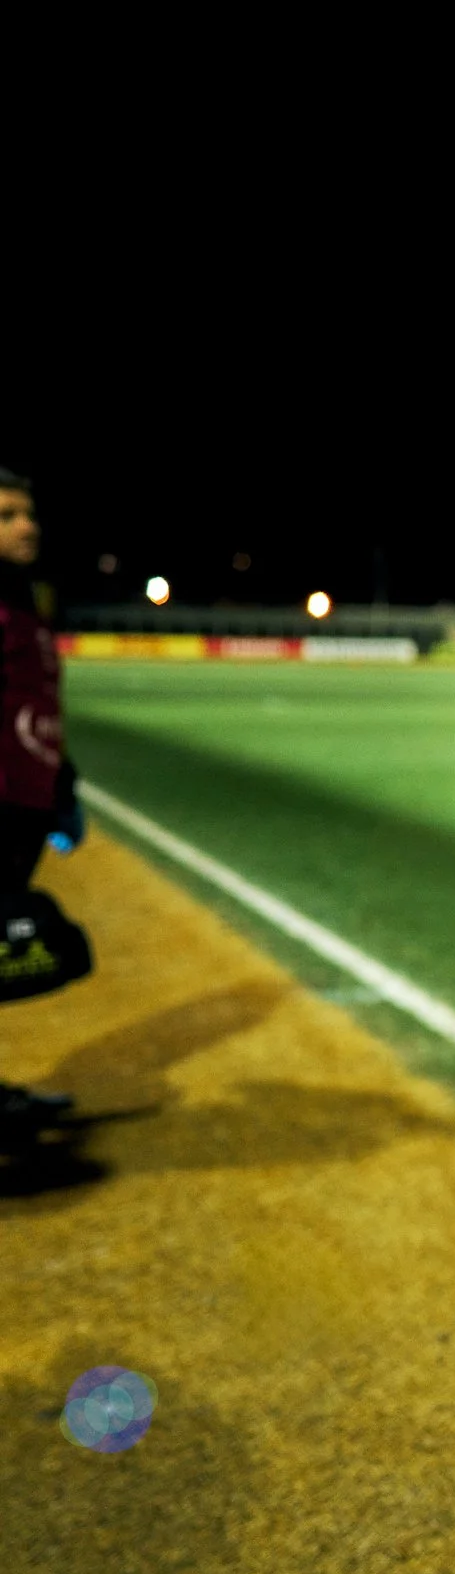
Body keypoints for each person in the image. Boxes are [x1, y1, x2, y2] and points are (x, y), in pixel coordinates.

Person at [0, 466, 84, 1136]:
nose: (26, 525)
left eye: (26, 512)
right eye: (5, 515)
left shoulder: (24, 601)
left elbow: (31, 701)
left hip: (24, 807)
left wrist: (62, 782)